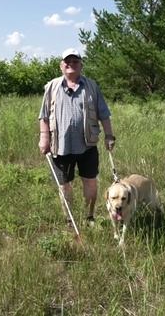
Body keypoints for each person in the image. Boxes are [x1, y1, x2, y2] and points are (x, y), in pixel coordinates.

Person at [38, 48, 115, 228]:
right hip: (60, 146)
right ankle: (69, 220)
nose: (70, 64)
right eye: (67, 61)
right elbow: (44, 116)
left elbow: (104, 114)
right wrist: (44, 138)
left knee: (90, 181)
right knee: (64, 185)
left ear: (81, 65)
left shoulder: (91, 86)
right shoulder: (52, 87)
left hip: (87, 145)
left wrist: (109, 135)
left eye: (75, 61)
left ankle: (89, 217)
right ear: (61, 66)